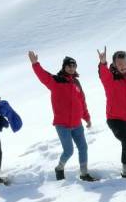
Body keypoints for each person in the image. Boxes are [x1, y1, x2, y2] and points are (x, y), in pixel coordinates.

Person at [29, 51, 96, 182]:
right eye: (69, 66)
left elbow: (82, 101)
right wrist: (35, 64)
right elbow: (43, 76)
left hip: (77, 123)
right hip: (62, 124)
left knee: (83, 147)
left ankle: (84, 173)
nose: (71, 68)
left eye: (73, 66)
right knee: (69, 151)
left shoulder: (76, 83)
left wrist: (86, 117)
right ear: (64, 67)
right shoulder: (56, 81)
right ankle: (59, 168)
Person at [98, 48, 126, 180]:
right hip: (115, 119)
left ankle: (125, 172)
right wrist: (102, 63)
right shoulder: (110, 78)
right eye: (119, 64)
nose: (123, 67)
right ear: (114, 64)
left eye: (124, 64)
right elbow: (103, 74)